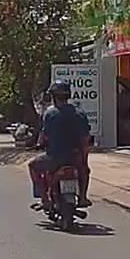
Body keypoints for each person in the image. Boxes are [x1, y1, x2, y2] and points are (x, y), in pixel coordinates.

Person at [28, 80, 92, 208]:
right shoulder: (80, 113)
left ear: (53, 96)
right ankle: (83, 198)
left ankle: (45, 200)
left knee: (32, 166)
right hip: (75, 157)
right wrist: (84, 161)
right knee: (85, 171)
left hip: (54, 158)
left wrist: (39, 144)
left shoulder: (49, 113)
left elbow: (43, 136)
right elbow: (85, 141)